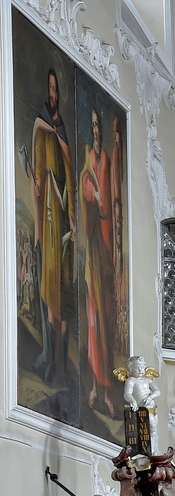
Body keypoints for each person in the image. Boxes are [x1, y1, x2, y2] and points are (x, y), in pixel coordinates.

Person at [31, 67, 75, 382]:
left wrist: (72, 212)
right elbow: (36, 175)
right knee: (49, 283)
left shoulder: (61, 130)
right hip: (48, 209)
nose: (52, 93)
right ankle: (52, 360)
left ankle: (59, 361)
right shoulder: (42, 124)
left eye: (55, 88)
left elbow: (71, 174)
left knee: (61, 285)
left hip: (61, 213)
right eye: (49, 88)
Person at [80, 110, 120, 417]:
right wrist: (92, 192)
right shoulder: (89, 160)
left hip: (104, 250)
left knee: (105, 322)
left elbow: (111, 195)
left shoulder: (104, 159)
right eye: (92, 124)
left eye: (98, 124)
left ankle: (106, 391)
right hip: (92, 247)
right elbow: (87, 191)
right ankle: (95, 385)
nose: (95, 129)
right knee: (92, 321)